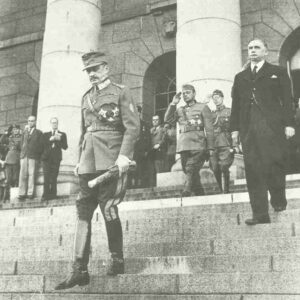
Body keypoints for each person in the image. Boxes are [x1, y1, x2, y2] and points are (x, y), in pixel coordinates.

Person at [55, 51, 140, 290]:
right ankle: (79, 269)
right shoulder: (86, 97)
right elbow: (85, 131)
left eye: (95, 69)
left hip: (111, 160)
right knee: (82, 212)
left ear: (106, 68)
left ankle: (117, 259)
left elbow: (133, 127)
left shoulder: (120, 91)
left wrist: (124, 155)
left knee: (108, 208)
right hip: (88, 163)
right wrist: (80, 160)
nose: (91, 74)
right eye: (88, 70)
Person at [230, 38, 295, 225]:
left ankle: (278, 200)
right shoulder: (240, 77)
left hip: (271, 128)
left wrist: (289, 124)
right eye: (250, 48)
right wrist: (234, 130)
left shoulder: (278, 72)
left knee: (274, 165)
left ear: (266, 51)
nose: (252, 51)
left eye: (257, 47)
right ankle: (260, 214)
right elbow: (236, 106)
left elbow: (287, 101)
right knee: (253, 170)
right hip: (249, 129)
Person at [164, 84, 214, 196]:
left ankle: (186, 190)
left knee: (190, 168)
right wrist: (173, 103)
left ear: (194, 93)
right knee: (188, 170)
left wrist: (211, 147)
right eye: (184, 93)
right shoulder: (180, 110)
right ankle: (200, 193)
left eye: (188, 92)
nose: (185, 95)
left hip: (198, 144)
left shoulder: (202, 107)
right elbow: (167, 119)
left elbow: (209, 129)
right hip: (183, 145)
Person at [208, 90, 234, 193]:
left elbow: (234, 128)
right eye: (214, 98)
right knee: (214, 168)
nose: (216, 100)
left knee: (224, 166)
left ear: (222, 98)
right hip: (214, 144)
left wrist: (235, 144)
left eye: (218, 97)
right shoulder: (211, 114)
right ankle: (221, 188)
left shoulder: (229, 111)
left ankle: (226, 189)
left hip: (225, 142)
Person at [41, 117, 68, 200]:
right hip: (46, 158)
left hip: (56, 158)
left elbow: (65, 147)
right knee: (46, 176)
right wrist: (50, 140)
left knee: (54, 177)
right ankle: (45, 195)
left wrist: (58, 140)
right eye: (53, 123)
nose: (54, 124)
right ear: (50, 124)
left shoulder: (62, 134)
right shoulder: (46, 134)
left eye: (56, 122)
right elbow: (42, 145)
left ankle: (53, 195)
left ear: (58, 124)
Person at [18, 116, 43, 200]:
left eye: (32, 121)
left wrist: (37, 155)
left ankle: (30, 193)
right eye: (29, 121)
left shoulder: (39, 133)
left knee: (31, 174)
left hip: (33, 156)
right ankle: (21, 193)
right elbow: (21, 144)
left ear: (35, 122)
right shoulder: (24, 132)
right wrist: (22, 154)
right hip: (24, 155)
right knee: (22, 175)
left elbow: (40, 146)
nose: (30, 122)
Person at [131, 105, 151, 188]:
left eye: (138, 112)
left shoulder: (144, 124)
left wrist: (147, 150)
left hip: (142, 151)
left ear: (139, 113)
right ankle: (131, 185)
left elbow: (148, 138)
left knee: (142, 168)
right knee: (132, 169)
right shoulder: (129, 125)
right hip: (132, 150)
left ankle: (141, 185)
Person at [5, 124, 22, 200]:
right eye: (14, 129)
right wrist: (8, 131)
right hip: (8, 160)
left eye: (17, 129)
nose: (15, 131)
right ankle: (6, 196)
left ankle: (14, 195)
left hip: (16, 159)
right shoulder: (9, 137)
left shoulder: (21, 138)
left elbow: (20, 147)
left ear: (19, 130)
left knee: (15, 178)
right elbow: (1, 140)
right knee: (8, 179)